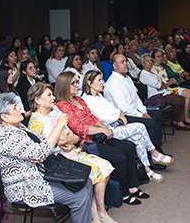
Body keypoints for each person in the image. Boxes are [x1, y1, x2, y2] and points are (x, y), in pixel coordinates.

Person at [0, 93, 103, 223]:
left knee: (86, 182)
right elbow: (40, 153)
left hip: (38, 176)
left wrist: (62, 142)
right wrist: (59, 126)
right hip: (25, 187)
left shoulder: (17, 128)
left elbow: (41, 141)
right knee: (79, 195)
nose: (20, 109)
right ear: (4, 117)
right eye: (14, 108)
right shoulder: (4, 137)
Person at [27, 83, 119, 223]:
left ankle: (99, 210)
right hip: (56, 161)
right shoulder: (36, 122)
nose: (54, 97)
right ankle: (95, 210)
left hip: (71, 152)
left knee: (105, 166)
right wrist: (67, 139)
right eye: (49, 95)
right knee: (92, 170)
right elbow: (58, 141)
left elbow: (75, 137)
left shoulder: (55, 113)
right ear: (37, 100)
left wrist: (69, 140)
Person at [55, 72, 146, 206]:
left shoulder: (79, 99)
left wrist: (106, 129)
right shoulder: (63, 105)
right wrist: (102, 130)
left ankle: (133, 186)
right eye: (73, 83)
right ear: (64, 86)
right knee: (119, 157)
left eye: (76, 82)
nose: (76, 85)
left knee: (128, 147)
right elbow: (79, 128)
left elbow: (92, 118)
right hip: (85, 142)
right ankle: (124, 194)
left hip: (98, 136)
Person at [82, 71, 173, 183]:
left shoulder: (99, 96)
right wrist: (118, 115)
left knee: (139, 138)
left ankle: (147, 169)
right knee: (140, 127)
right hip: (106, 131)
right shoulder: (87, 99)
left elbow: (113, 109)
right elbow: (102, 117)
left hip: (113, 125)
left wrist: (118, 114)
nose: (103, 82)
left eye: (102, 79)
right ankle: (153, 152)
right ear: (89, 83)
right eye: (99, 80)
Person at [103, 54, 164, 153]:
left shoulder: (126, 78)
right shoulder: (114, 82)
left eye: (126, 61)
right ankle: (151, 155)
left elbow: (136, 99)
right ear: (114, 66)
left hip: (133, 111)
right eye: (122, 62)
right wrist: (141, 115)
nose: (126, 63)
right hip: (121, 117)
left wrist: (144, 112)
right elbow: (123, 107)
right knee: (150, 123)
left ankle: (157, 148)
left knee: (157, 114)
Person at [140, 54, 190, 131]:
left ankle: (177, 121)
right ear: (142, 64)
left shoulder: (151, 72)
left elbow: (162, 83)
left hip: (163, 92)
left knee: (181, 98)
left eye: (151, 60)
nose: (150, 62)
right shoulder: (144, 74)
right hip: (155, 96)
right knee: (179, 100)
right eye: (147, 61)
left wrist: (163, 85)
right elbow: (159, 85)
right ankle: (178, 122)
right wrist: (164, 84)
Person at [151, 50, 190, 115]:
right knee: (187, 94)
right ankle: (183, 117)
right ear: (153, 59)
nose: (161, 58)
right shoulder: (152, 69)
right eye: (158, 56)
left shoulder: (162, 67)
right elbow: (159, 83)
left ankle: (185, 116)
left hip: (168, 86)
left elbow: (166, 78)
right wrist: (169, 82)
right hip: (163, 90)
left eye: (161, 56)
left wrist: (171, 80)